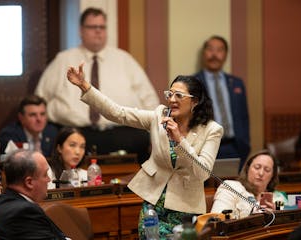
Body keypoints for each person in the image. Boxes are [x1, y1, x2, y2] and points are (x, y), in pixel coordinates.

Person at [67, 63, 223, 238]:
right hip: (153, 206)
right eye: (169, 94)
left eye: (179, 95)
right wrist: (84, 85)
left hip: (185, 210)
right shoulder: (159, 116)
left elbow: (202, 173)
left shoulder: (211, 129)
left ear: (194, 101)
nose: (172, 99)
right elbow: (118, 113)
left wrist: (180, 139)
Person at [35, 7, 159, 164]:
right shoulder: (63, 60)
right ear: (81, 30)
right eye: (93, 27)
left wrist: (157, 135)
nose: (98, 31)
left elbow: (150, 101)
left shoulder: (125, 60)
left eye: (102, 27)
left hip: (123, 134)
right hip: (76, 134)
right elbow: (40, 99)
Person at [194, 35, 250, 171]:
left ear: (225, 55)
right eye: (210, 49)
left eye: (219, 50)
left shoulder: (237, 83)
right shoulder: (193, 83)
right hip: (205, 147)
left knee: (233, 188)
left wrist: (245, 143)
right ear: (204, 54)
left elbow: (244, 117)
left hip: (235, 147)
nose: (214, 54)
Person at [0, 149, 67, 240]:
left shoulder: (5, 202)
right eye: (45, 175)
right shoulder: (23, 212)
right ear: (29, 182)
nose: (49, 180)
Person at [210, 150, 280, 219]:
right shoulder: (231, 187)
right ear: (247, 168)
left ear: (272, 175)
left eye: (267, 170)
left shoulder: (278, 198)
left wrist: (276, 216)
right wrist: (253, 216)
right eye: (257, 167)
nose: (261, 173)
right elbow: (217, 221)